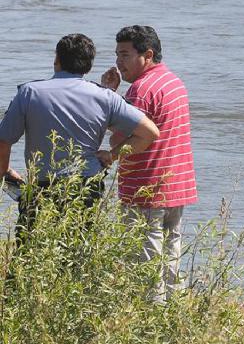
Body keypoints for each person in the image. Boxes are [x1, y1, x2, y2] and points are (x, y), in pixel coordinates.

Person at [0, 33, 159, 247]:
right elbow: (149, 133)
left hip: (42, 189)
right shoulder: (105, 97)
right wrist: (112, 156)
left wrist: (5, 174)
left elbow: (3, 141)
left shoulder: (29, 93)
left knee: (30, 254)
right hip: (85, 189)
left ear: (57, 60)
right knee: (76, 256)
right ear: (88, 66)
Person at [101, 25, 197, 303]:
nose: (119, 62)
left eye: (125, 55)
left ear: (148, 55)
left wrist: (107, 96)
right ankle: (172, 310)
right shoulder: (173, 81)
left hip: (146, 186)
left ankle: (149, 317)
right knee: (170, 252)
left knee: (144, 256)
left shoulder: (141, 90)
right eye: (117, 55)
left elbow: (124, 133)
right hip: (176, 183)